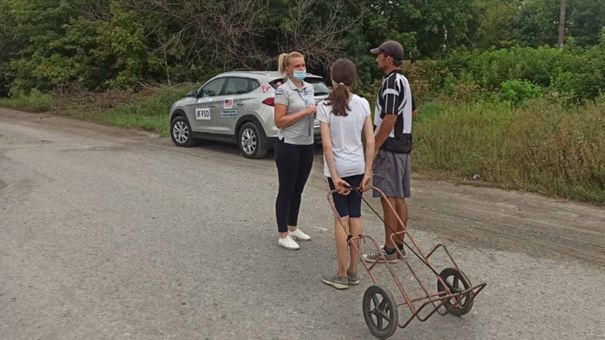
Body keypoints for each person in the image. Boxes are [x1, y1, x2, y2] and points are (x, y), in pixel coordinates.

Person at [317, 58, 375, 289]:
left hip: (337, 170)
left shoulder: (324, 106)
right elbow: (370, 140)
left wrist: (334, 174)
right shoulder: (362, 104)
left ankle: (341, 275)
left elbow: (327, 146)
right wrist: (368, 171)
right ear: (354, 78)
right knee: (355, 216)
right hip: (358, 168)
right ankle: (353, 271)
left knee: (341, 219)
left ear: (332, 78)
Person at [362, 40, 414, 263]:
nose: (377, 58)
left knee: (387, 198)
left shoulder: (392, 83)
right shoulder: (404, 81)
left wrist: (374, 146)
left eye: (379, 55)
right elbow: (411, 109)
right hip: (403, 145)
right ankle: (399, 245)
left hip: (391, 147)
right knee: (399, 197)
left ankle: (390, 250)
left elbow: (390, 117)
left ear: (389, 58)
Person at [273, 51, 316, 250]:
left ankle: (293, 227)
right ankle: (282, 233)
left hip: (306, 144)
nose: (301, 69)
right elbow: (279, 121)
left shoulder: (309, 88)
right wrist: (304, 112)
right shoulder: (283, 90)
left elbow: (312, 111)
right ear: (288, 69)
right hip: (288, 145)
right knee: (286, 189)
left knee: (299, 189)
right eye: (297, 66)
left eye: (303, 65)